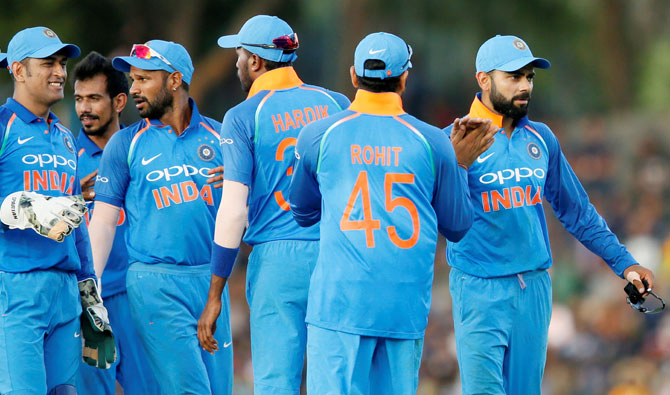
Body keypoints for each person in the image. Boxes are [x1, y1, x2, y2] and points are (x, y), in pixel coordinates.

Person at [445, 34, 656, 395]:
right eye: (513, 77)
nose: (525, 86)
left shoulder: (541, 139)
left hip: (535, 289)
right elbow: (444, 221)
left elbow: (577, 213)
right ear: (483, 80)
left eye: (529, 77)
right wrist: (457, 166)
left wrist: (626, 262)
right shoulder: (450, 140)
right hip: (479, 288)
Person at [288, 32, 496, 394]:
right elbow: (459, 226)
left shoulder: (318, 135)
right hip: (402, 307)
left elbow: (302, 213)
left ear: (353, 76)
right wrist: (459, 165)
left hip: (338, 306)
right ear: (404, 79)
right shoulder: (433, 141)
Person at [197, 15, 350, 394]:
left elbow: (234, 211)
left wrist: (216, 292)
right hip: (337, 253)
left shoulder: (242, 116)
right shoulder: (337, 103)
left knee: (274, 383)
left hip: (277, 263)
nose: (235, 63)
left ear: (255, 62)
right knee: (333, 380)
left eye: (239, 54)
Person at [89, 40, 233, 394]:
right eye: (132, 79)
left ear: (174, 80)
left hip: (212, 280)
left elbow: (244, 211)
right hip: (153, 280)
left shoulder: (222, 137)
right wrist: (90, 289)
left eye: (143, 79)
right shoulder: (126, 144)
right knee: (189, 389)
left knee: (218, 389)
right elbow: (104, 222)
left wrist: (239, 179)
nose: (133, 89)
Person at [0, 27, 114, 395]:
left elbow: (77, 219)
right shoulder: (4, 126)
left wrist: (90, 295)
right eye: (47, 62)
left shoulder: (65, 136)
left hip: (64, 294)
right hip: (16, 291)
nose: (60, 72)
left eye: (62, 63)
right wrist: (17, 206)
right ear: (18, 70)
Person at [71, 51, 159, 395]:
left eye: (94, 98)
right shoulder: (64, 155)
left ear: (120, 101)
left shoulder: (146, 149)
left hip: (139, 296)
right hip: (87, 302)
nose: (84, 109)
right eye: (78, 99)